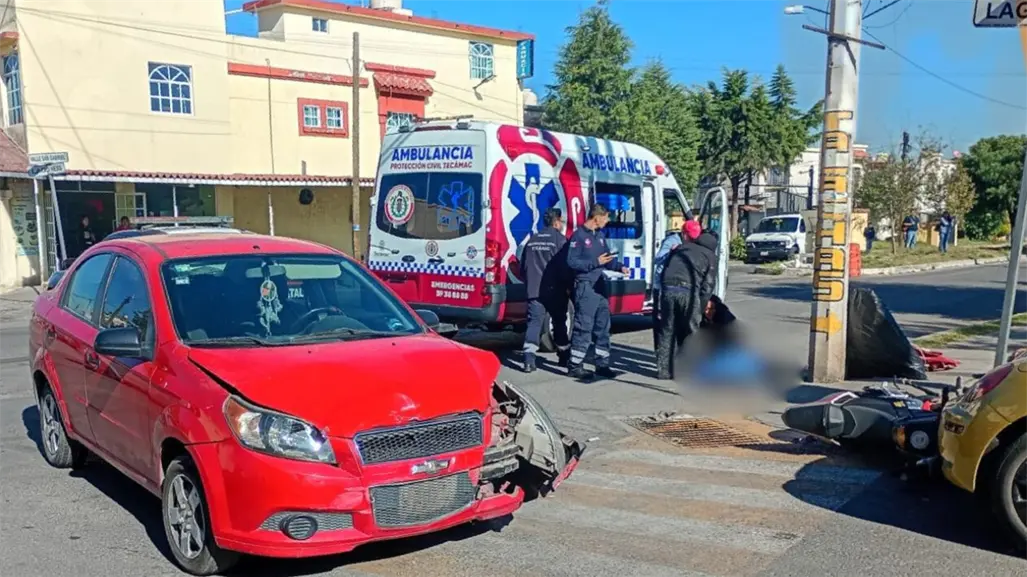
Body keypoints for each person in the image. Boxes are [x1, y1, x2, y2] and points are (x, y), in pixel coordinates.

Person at [566, 204, 630, 379]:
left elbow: (606, 259)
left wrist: (619, 267)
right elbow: (572, 262)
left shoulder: (600, 236)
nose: (608, 221)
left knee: (603, 326)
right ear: (597, 218)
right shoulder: (578, 236)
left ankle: (602, 364)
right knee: (584, 326)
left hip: (600, 285)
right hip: (586, 286)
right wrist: (595, 262)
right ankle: (575, 365)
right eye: (606, 217)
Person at [655, 229, 718, 380]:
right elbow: (708, 286)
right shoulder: (710, 256)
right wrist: (701, 308)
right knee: (692, 332)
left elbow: (665, 268)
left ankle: (663, 371)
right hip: (688, 292)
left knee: (667, 330)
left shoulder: (682, 247)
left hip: (668, 289)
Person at [520, 207, 571, 373]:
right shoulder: (560, 240)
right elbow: (567, 266)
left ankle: (528, 360)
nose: (562, 224)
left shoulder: (532, 240)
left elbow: (523, 268)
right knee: (559, 323)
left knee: (534, 324)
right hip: (554, 291)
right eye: (561, 221)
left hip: (534, 290)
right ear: (556, 222)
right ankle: (564, 358)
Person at [652, 219, 702, 349]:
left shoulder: (692, 245)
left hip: (683, 288)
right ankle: (663, 361)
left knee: (680, 327)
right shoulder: (672, 241)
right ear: (684, 233)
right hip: (663, 287)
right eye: (690, 237)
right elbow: (658, 259)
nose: (691, 240)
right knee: (664, 328)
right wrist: (672, 252)